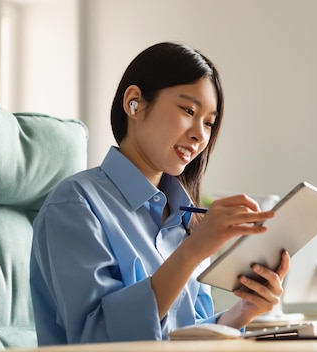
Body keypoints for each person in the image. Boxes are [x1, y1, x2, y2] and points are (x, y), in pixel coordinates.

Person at [29, 42, 290, 345]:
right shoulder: (74, 205)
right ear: (134, 103)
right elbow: (97, 340)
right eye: (188, 110)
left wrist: (243, 312)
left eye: (209, 122)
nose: (200, 134)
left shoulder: (185, 219)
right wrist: (192, 252)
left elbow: (184, 334)